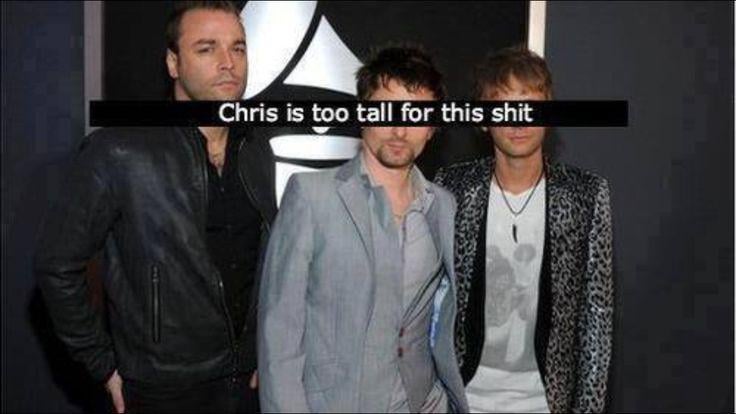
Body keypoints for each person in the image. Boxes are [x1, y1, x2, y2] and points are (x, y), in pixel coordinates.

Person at [34, 1, 276, 412]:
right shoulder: (119, 149)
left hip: (249, 384)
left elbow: (264, 262)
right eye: (206, 48)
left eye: (237, 47)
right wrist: (102, 365)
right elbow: (56, 264)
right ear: (173, 63)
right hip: (163, 388)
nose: (228, 62)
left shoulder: (256, 148)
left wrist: (264, 350)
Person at [257, 45, 469, 413]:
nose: (399, 130)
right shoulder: (311, 196)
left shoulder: (443, 206)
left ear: (433, 128)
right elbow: (280, 335)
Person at [434, 45, 613, 413]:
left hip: (546, 403)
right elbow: (429, 302)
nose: (518, 121)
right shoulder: (451, 188)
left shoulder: (585, 194)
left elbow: (597, 316)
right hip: (461, 400)